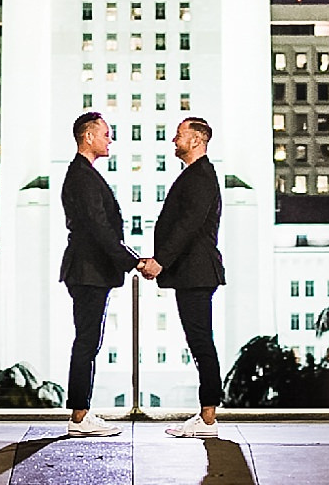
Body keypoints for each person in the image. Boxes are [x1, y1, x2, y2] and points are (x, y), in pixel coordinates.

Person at [141, 116, 226, 437]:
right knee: (200, 340)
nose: (174, 141)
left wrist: (161, 261)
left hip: (196, 271)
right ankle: (206, 416)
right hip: (192, 271)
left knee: (201, 341)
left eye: (179, 136)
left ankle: (207, 418)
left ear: (197, 140)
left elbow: (189, 224)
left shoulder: (201, 176)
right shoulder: (196, 175)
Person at [57, 109, 134, 437]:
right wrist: (131, 260)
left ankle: (81, 412)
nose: (110, 139)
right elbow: (98, 228)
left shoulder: (82, 174)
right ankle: (79, 416)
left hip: (89, 269)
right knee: (87, 341)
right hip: (88, 270)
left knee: (88, 340)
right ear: (88, 136)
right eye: (106, 134)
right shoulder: (82, 176)